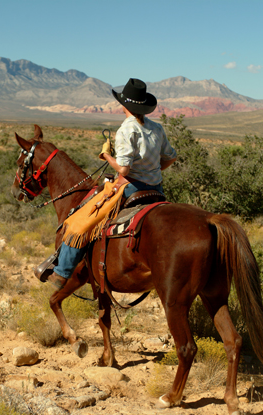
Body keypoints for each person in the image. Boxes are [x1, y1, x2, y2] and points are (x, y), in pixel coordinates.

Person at [44, 78, 176, 290]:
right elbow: (170, 157)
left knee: (80, 221)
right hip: (156, 189)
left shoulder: (126, 129)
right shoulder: (157, 128)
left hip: (130, 188)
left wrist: (106, 155)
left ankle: (62, 272)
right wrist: (151, 172)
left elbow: (123, 170)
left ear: (125, 105)